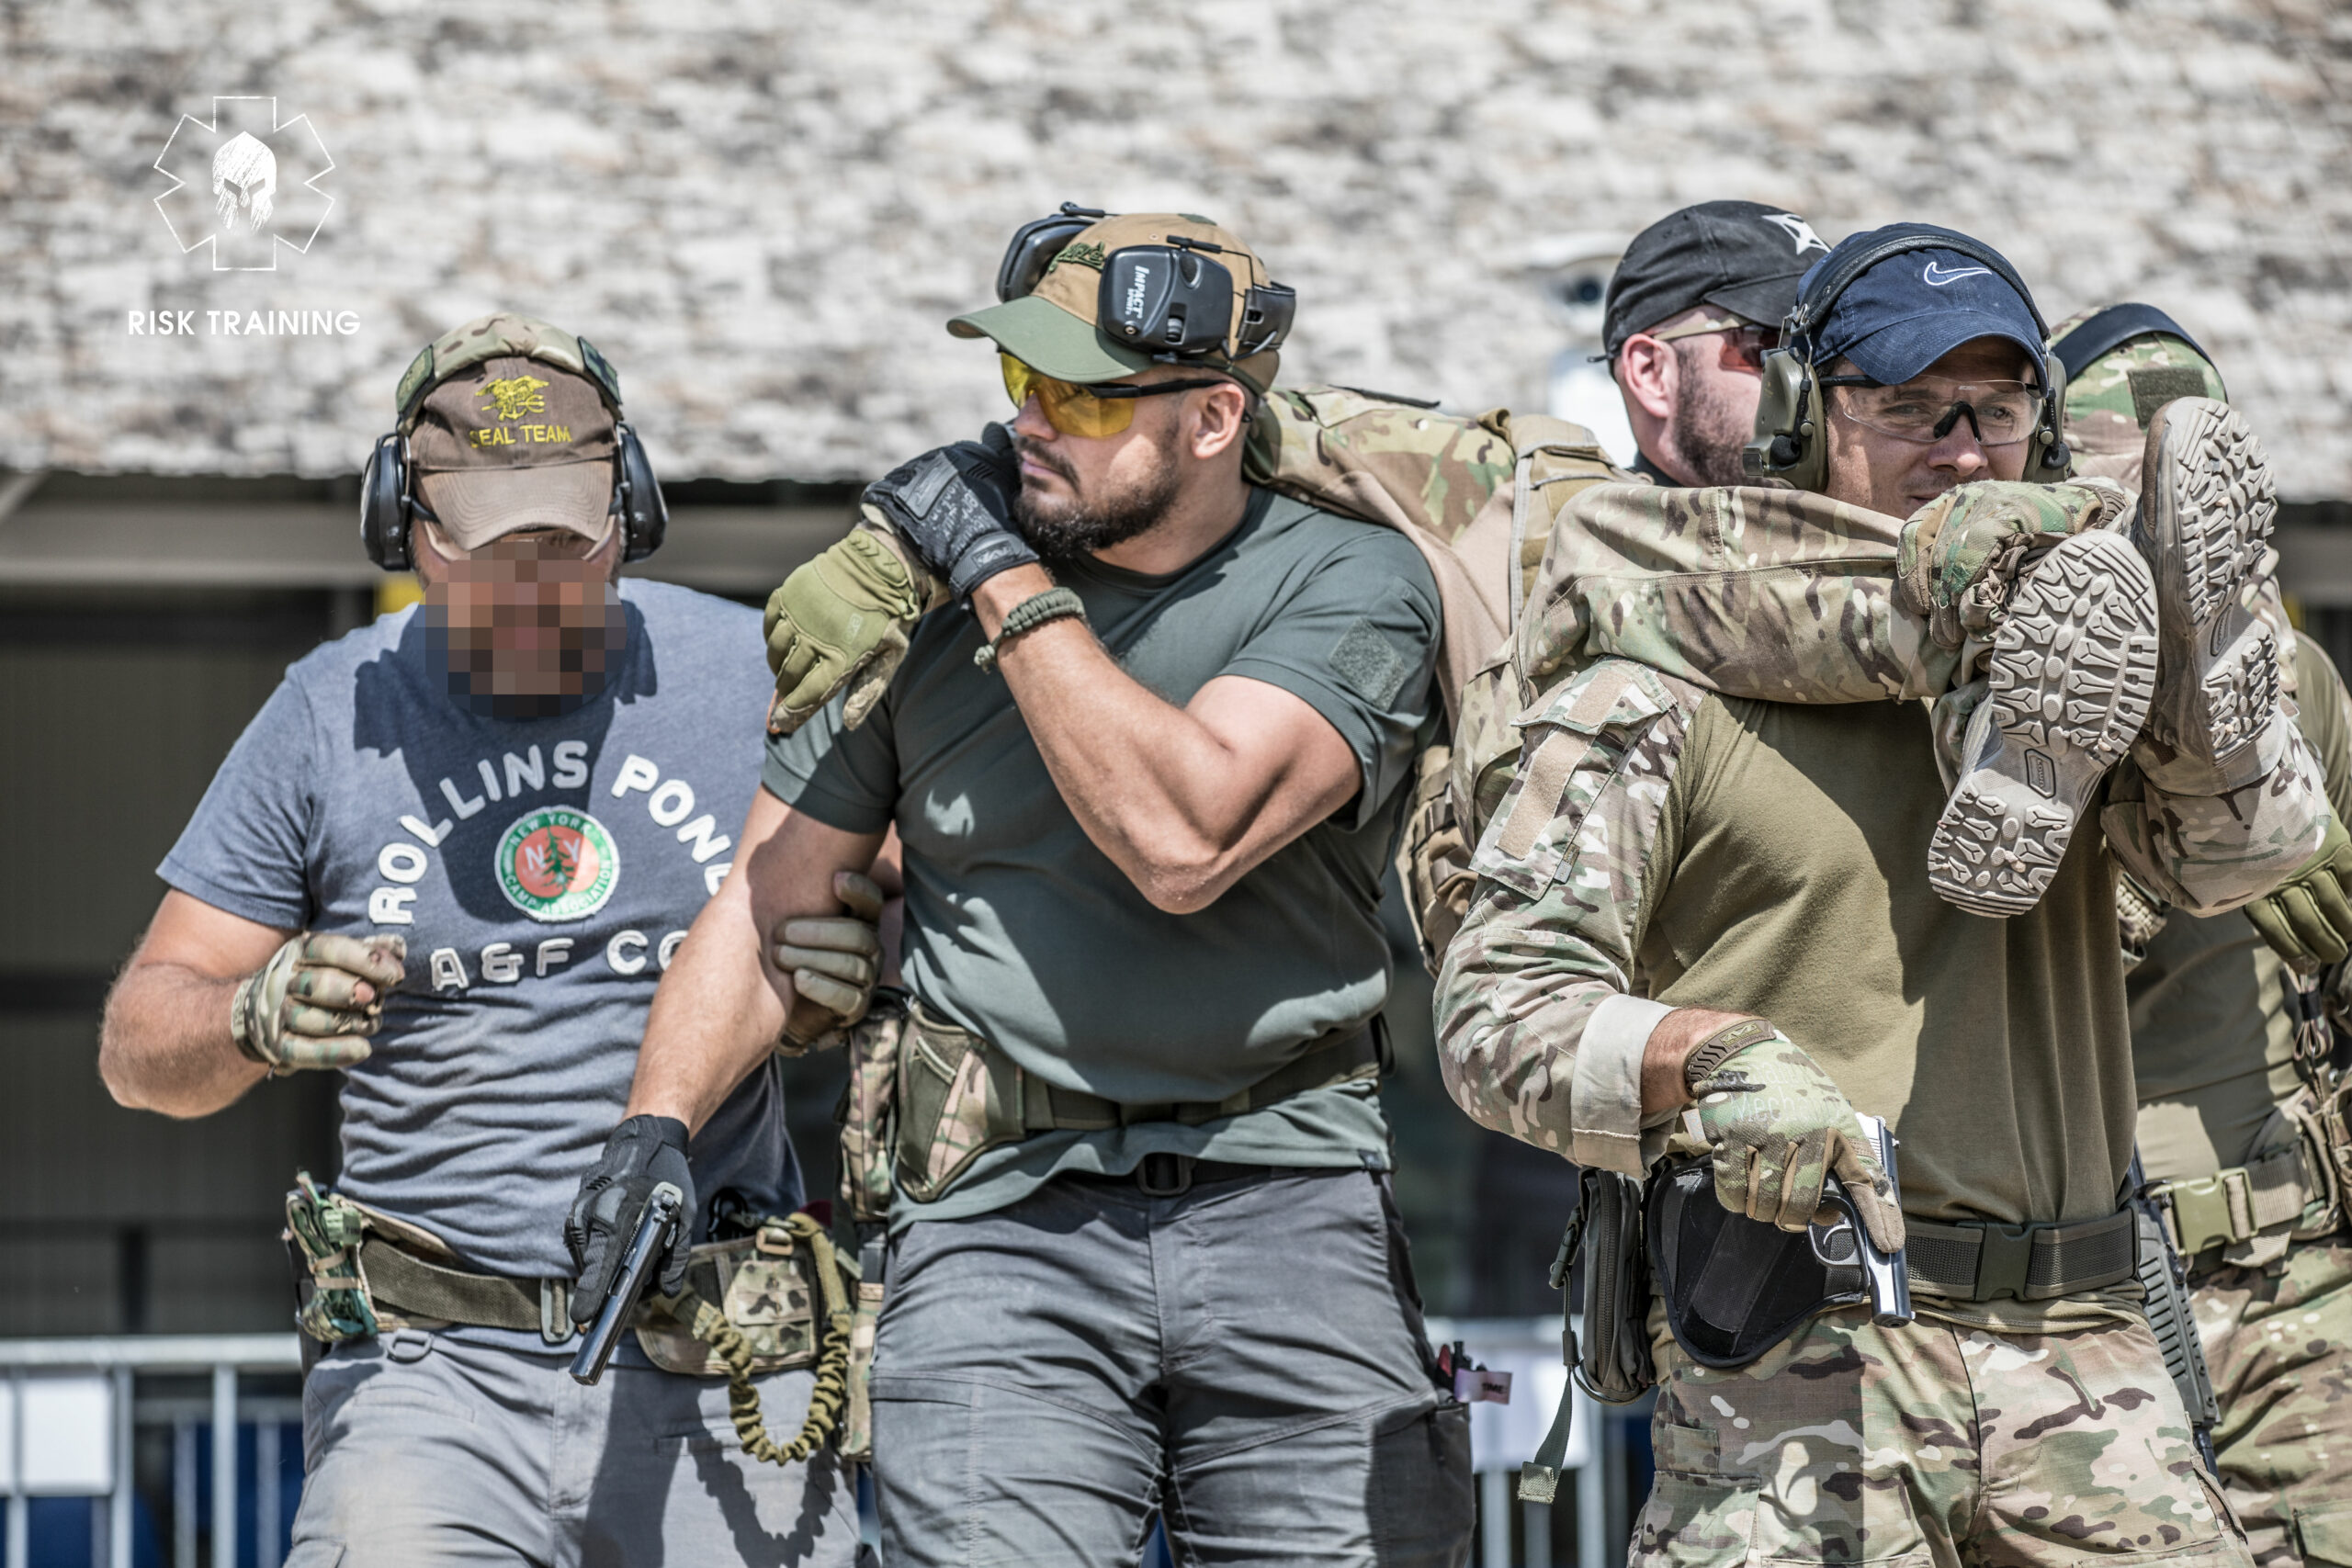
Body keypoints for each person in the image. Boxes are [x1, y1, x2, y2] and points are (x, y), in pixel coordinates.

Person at [571, 209, 1477, 1566]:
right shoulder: (913, 614)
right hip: (994, 1214)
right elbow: (765, 905)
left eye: (1079, 393)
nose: (1030, 423)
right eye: (1018, 382)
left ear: (1215, 416)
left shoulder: (1347, 577)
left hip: (1288, 1190)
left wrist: (998, 577)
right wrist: (652, 1131)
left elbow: (1186, 837)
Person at [1437, 228, 2327, 1566]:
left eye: (1998, 408)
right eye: (1908, 407)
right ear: (1803, 419)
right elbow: (1494, 1011)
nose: (1963, 449)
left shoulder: (2093, 674)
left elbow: (2229, 861)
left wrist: (2207, 683)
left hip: (2089, 1345)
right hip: (1801, 1360)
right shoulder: (1653, 687)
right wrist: (1703, 1055)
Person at [97, 313, 878, 1567]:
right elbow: (140, 1043)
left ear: (631, 510)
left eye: (563, 546)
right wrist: (247, 1014)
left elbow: (939, 902)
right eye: (485, 549)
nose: (530, 587)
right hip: (426, 1376)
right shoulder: (327, 709)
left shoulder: (752, 676)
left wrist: (869, 964)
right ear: (404, 528)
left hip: (717, 1352)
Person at [1603, 199, 1830, 488]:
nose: (1816, 378)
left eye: (1829, 347)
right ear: (1651, 373)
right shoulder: (1580, 532)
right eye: (1774, 347)